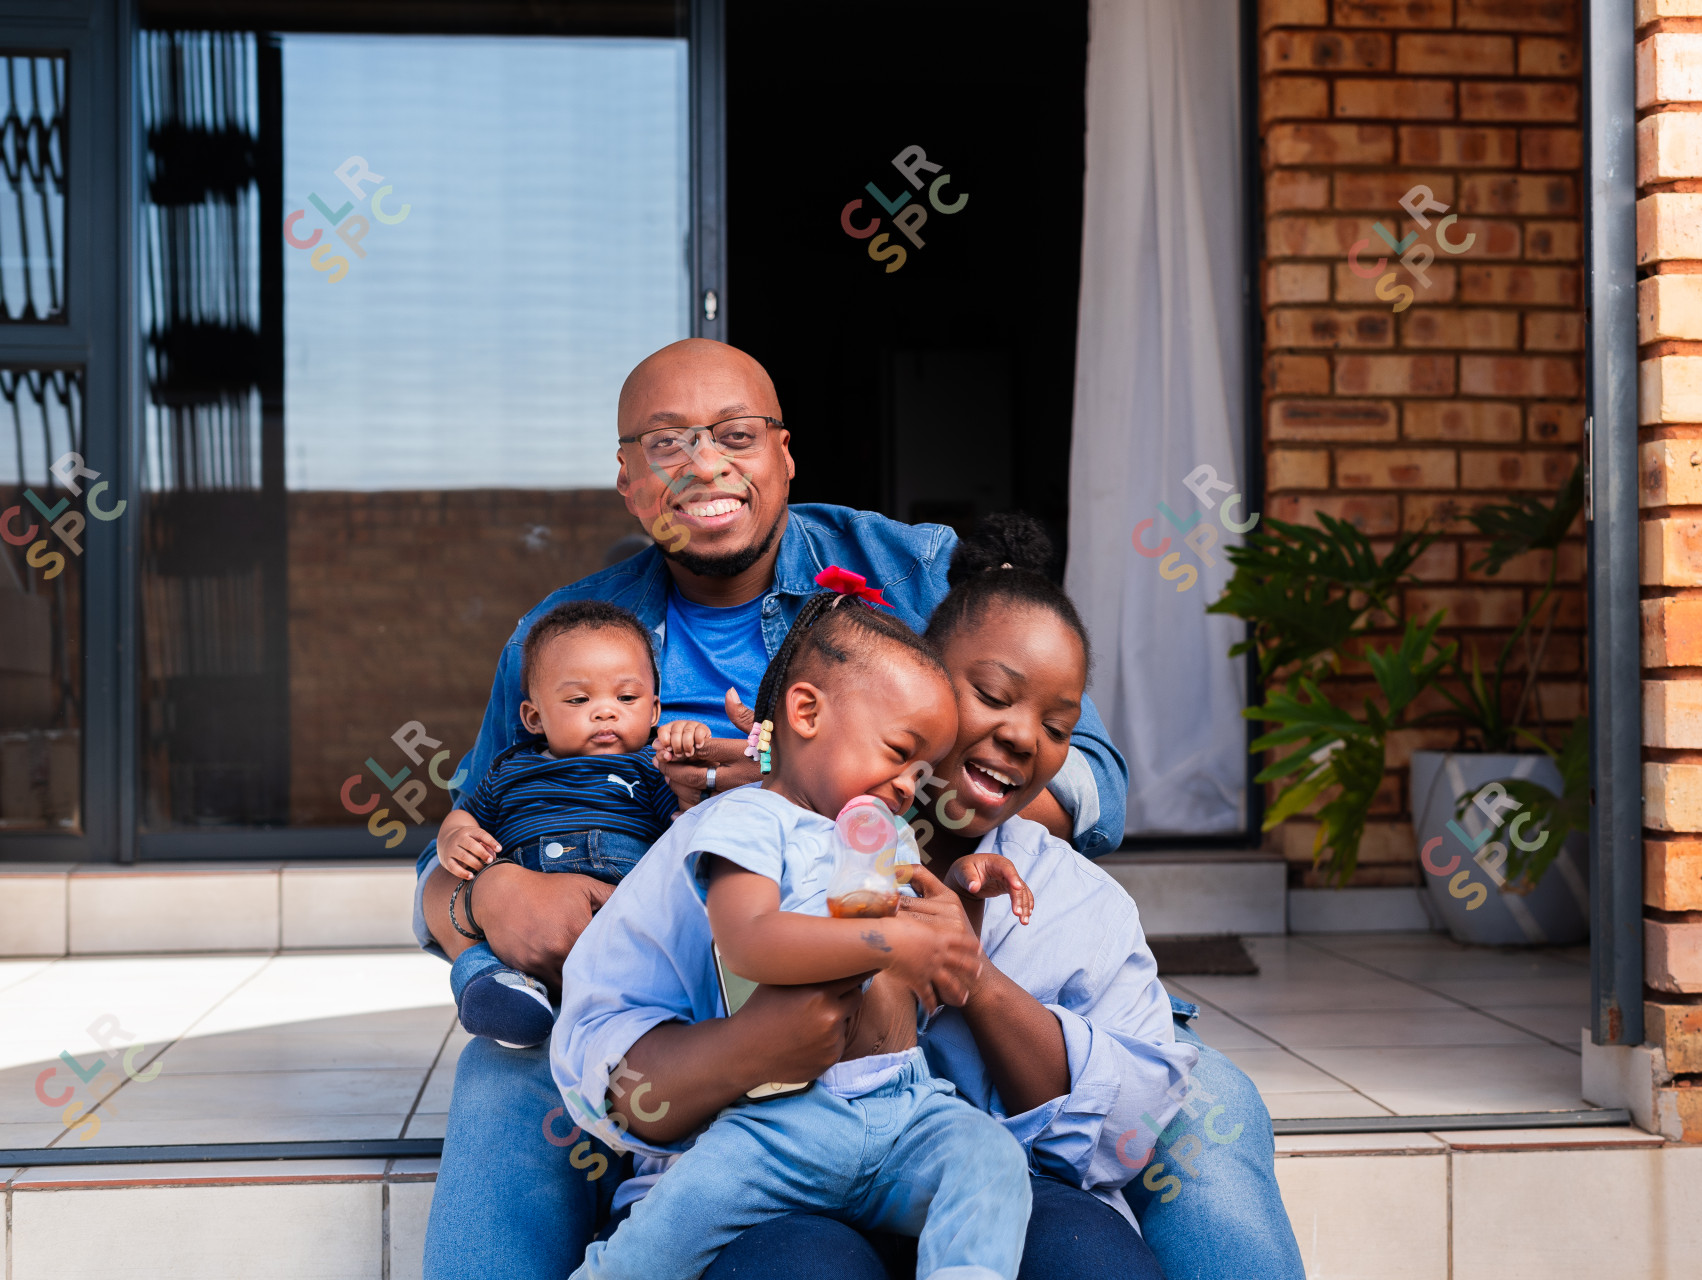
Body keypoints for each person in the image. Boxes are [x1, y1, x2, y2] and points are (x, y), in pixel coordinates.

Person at [415, 340, 1291, 1280]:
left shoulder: (908, 567)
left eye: (736, 435)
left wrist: (888, 818)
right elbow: (469, 837)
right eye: (667, 444)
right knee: (506, 1083)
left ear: (785, 453)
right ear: (627, 480)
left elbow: (1090, 777)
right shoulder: (567, 635)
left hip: (938, 978)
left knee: (1214, 1111)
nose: (705, 465)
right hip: (683, 988)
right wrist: (478, 903)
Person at [608, 517, 1305, 1280]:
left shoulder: (1078, 903)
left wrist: (970, 974)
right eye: (991, 696)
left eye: (1057, 726)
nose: (1021, 737)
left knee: (1093, 1254)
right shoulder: (759, 842)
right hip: (782, 1183)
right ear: (920, 686)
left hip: (991, 1180)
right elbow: (629, 1071)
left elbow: (1127, 1133)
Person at [554, 586, 1044, 1280]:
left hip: (903, 1106)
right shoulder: (751, 821)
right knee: (681, 1212)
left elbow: (923, 975)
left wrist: (964, 893)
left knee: (991, 1159)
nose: (909, 785)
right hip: (782, 1123)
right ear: (807, 712)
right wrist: (891, 943)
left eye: (920, 770)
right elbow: (751, 940)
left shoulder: (887, 833)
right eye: (898, 752)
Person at [434, 601, 691, 1047]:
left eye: (626, 698)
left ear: (653, 712)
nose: (605, 711)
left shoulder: (651, 767)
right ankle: (510, 1004)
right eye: (578, 699)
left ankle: (642, 1016)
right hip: (527, 913)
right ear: (534, 718)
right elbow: (466, 814)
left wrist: (687, 756)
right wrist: (455, 835)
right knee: (481, 960)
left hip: (619, 901)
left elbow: (686, 823)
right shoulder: (509, 770)